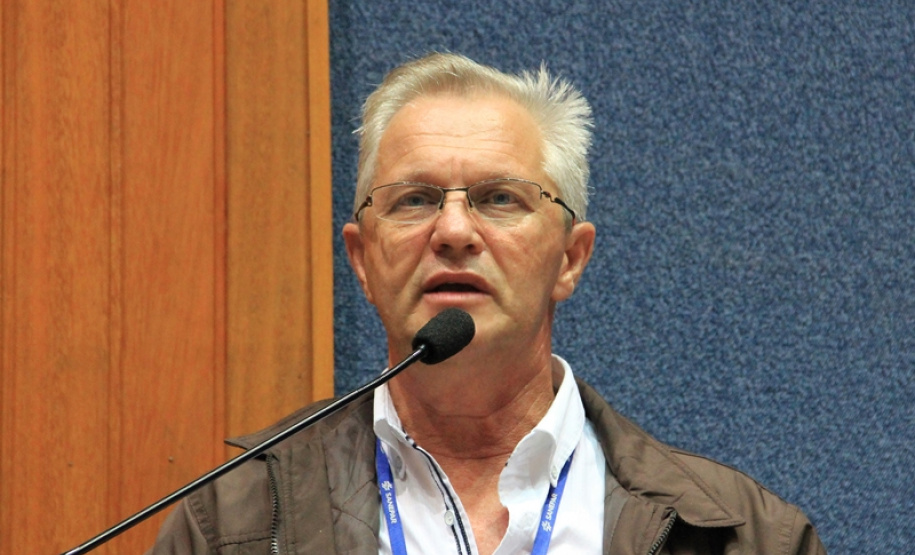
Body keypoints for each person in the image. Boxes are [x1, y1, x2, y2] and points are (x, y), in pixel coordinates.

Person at [149, 53, 825, 554]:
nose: (452, 230)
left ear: (569, 258)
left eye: (499, 198)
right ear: (362, 260)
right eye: (414, 199)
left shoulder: (742, 536)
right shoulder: (229, 525)